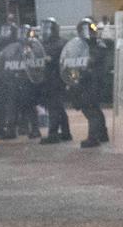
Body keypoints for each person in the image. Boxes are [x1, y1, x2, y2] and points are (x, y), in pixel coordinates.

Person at [62, 17, 110, 148]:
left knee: (90, 109)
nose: (86, 33)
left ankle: (93, 138)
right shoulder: (80, 46)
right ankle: (102, 134)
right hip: (85, 81)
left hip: (94, 80)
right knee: (93, 108)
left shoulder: (99, 45)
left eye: (88, 29)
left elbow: (91, 60)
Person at [37, 18, 71, 144]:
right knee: (58, 107)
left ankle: (53, 134)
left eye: (48, 28)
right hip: (47, 80)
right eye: (44, 27)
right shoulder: (42, 44)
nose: (45, 31)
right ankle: (66, 132)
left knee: (54, 108)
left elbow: (62, 61)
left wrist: (49, 59)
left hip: (56, 80)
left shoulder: (61, 43)